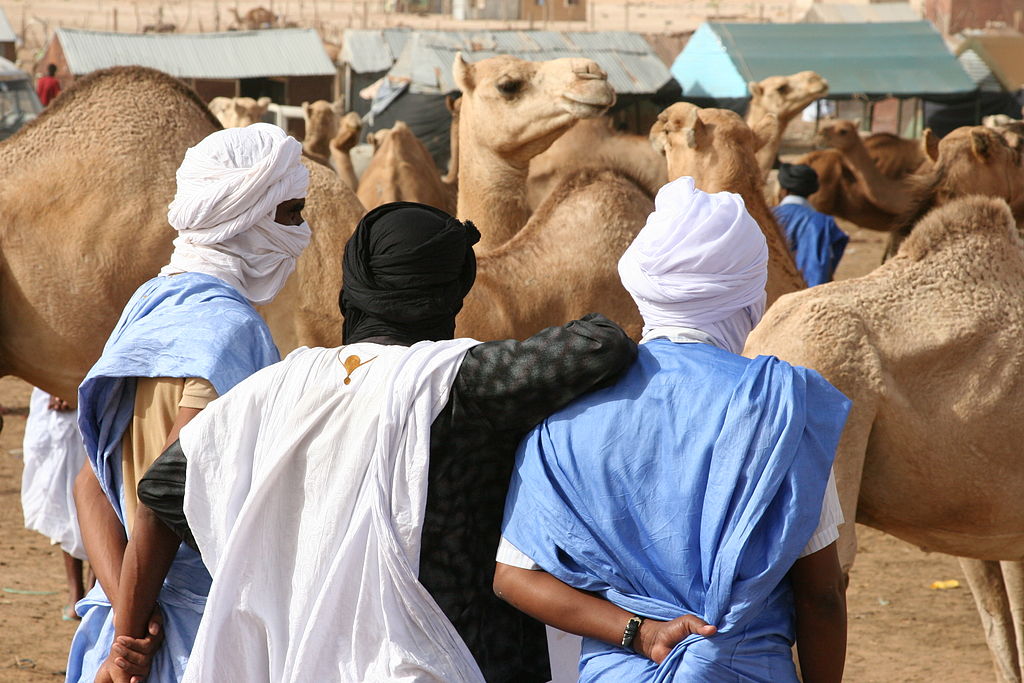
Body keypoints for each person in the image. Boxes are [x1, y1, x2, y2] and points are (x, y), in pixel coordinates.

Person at [129, 201, 637, 682]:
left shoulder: (275, 389)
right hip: (449, 659)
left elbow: (164, 489)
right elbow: (602, 342)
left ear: (352, 286)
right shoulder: (462, 383)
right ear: (453, 292)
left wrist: (286, 545)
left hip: (299, 658)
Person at [494, 176, 851, 682]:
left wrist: (636, 630)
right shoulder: (782, 408)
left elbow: (512, 575)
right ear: (750, 291)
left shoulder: (567, 408)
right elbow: (822, 595)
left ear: (641, 283)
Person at [68, 122, 310, 683]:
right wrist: (129, 645)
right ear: (245, 215)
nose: (303, 232)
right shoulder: (229, 329)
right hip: (186, 638)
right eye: (291, 214)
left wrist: (122, 611)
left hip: (128, 612)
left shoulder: (152, 303)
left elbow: (91, 483)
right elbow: (166, 490)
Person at [21, 389, 90, 621]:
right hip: (56, 399)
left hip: (97, 386)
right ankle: (79, 596)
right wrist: (56, 385)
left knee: (97, 488)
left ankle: (87, 595)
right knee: (65, 496)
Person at [773, 162, 848, 286]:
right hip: (805, 294)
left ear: (784, 191)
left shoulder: (767, 217)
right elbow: (823, 266)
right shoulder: (823, 222)